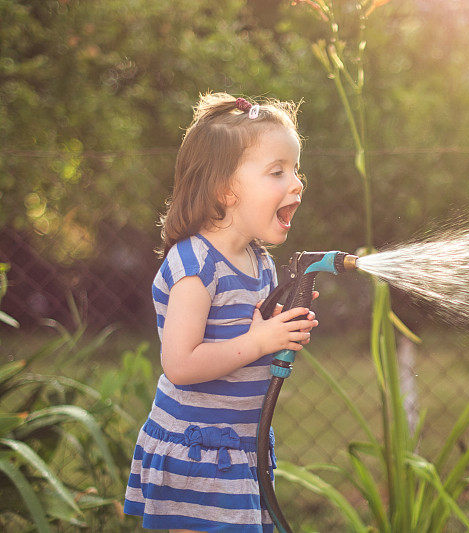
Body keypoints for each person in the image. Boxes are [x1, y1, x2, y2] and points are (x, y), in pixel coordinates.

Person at [123, 92, 319, 532]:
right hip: (198, 452)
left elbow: (252, 349)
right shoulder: (196, 266)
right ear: (225, 189)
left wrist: (281, 332)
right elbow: (179, 364)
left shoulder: (260, 263)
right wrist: (258, 341)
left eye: (295, 169)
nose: (297, 183)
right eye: (277, 172)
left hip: (240, 449)